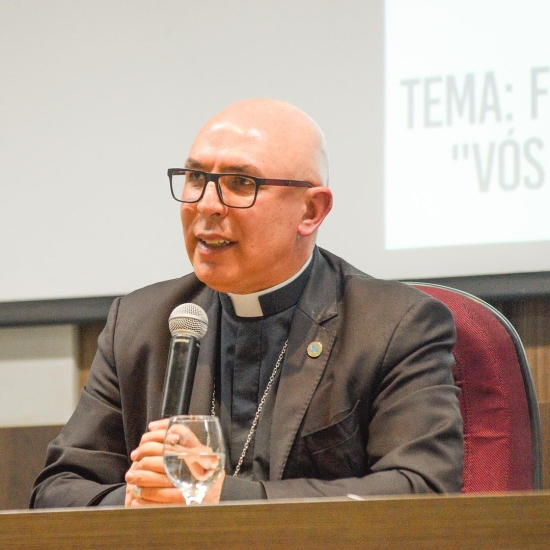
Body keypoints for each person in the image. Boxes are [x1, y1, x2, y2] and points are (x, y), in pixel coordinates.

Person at [30, 99, 463, 508]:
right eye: (196, 178)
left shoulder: (393, 325)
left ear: (311, 211)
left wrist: (217, 496)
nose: (206, 204)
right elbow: (57, 488)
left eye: (241, 183)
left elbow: (421, 485)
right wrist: (143, 497)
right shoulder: (141, 323)